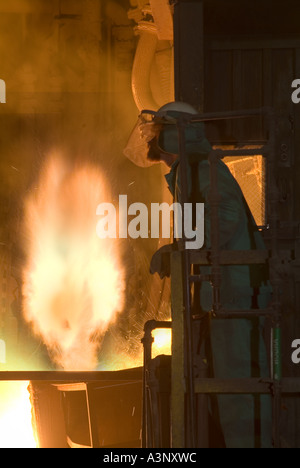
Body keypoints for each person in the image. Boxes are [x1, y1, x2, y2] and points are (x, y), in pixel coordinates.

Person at [124, 101, 273, 448]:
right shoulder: (190, 171)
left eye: (159, 133)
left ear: (178, 135)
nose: (153, 140)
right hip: (224, 297)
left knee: (239, 396)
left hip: (236, 297)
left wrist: (179, 251)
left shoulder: (202, 169)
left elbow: (224, 218)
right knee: (226, 392)